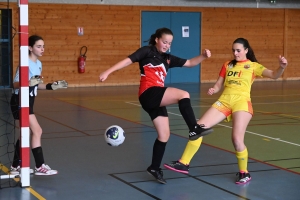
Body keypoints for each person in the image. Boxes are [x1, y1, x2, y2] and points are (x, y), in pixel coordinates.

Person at [164, 37, 288, 184]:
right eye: (233, 50)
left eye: (238, 50)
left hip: (241, 103)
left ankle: (244, 173)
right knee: (198, 128)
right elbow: (218, 85)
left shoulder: (254, 66)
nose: (235, 53)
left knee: (236, 139)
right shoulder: (227, 65)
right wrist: (213, 89)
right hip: (224, 101)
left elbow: (274, 75)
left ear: (246, 50)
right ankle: (184, 163)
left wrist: (282, 67)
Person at [99, 27, 213, 184]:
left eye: (169, 43)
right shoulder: (147, 51)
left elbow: (190, 63)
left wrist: (203, 56)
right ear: (157, 40)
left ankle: (154, 167)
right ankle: (193, 128)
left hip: (155, 98)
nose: (167, 45)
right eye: (164, 42)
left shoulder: (167, 59)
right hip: (149, 93)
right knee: (184, 95)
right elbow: (127, 60)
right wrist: (107, 72)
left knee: (164, 135)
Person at [10, 35, 68, 175]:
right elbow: (15, 84)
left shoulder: (39, 64)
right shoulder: (25, 63)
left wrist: (50, 86)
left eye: (43, 46)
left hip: (29, 100)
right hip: (19, 100)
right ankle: (40, 166)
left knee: (24, 134)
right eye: (38, 46)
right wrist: (28, 83)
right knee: (37, 130)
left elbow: (37, 85)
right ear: (30, 48)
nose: (42, 49)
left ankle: (15, 166)